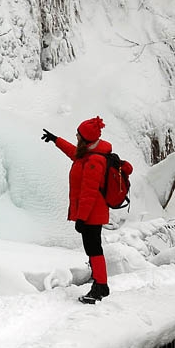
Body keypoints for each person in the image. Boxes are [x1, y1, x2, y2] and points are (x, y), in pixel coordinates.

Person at [41, 116, 116, 304]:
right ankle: (100, 284)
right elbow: (74, 153)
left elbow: (89, 193)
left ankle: (100, 286)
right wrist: (56, 140)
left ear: (86, 139)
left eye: (78, 135)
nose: (76, 136)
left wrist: (81, 218)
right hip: (91, 213)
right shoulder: (89, 154)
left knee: (94, 250)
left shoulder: (94, 161)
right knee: (93, 249)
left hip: (92, 214)